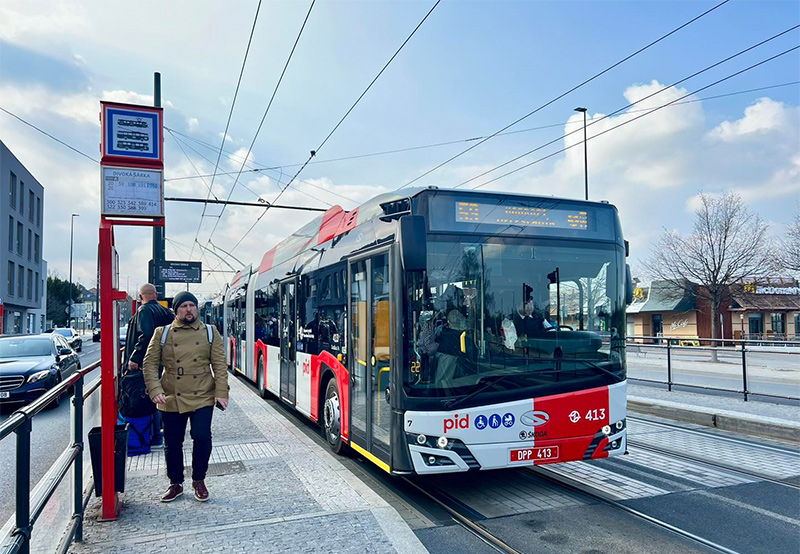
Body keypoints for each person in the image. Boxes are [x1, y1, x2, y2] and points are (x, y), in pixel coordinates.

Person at [142, 291, 229, 503]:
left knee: (202, 436)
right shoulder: (162, 333)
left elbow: (219, 364)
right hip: (171, 395)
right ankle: (176, 483)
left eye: (192, 305)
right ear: (176, 310)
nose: (188, 309)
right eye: (183, 306)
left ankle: (199, 479)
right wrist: (155, 390)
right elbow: (150, 363)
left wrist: (221, 392)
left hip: (203, 394)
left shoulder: (210, 332)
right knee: (172, 442)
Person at [123, 284, 174, 446]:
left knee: (148, 398)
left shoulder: (144, 311)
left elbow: (145, 335)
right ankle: (161, 431)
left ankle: (153, 436)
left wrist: (135, 358)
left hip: (146, 363)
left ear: (140, 297)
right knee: (158, 395)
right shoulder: (166, 312)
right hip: (163, 361)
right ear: (156, 295)